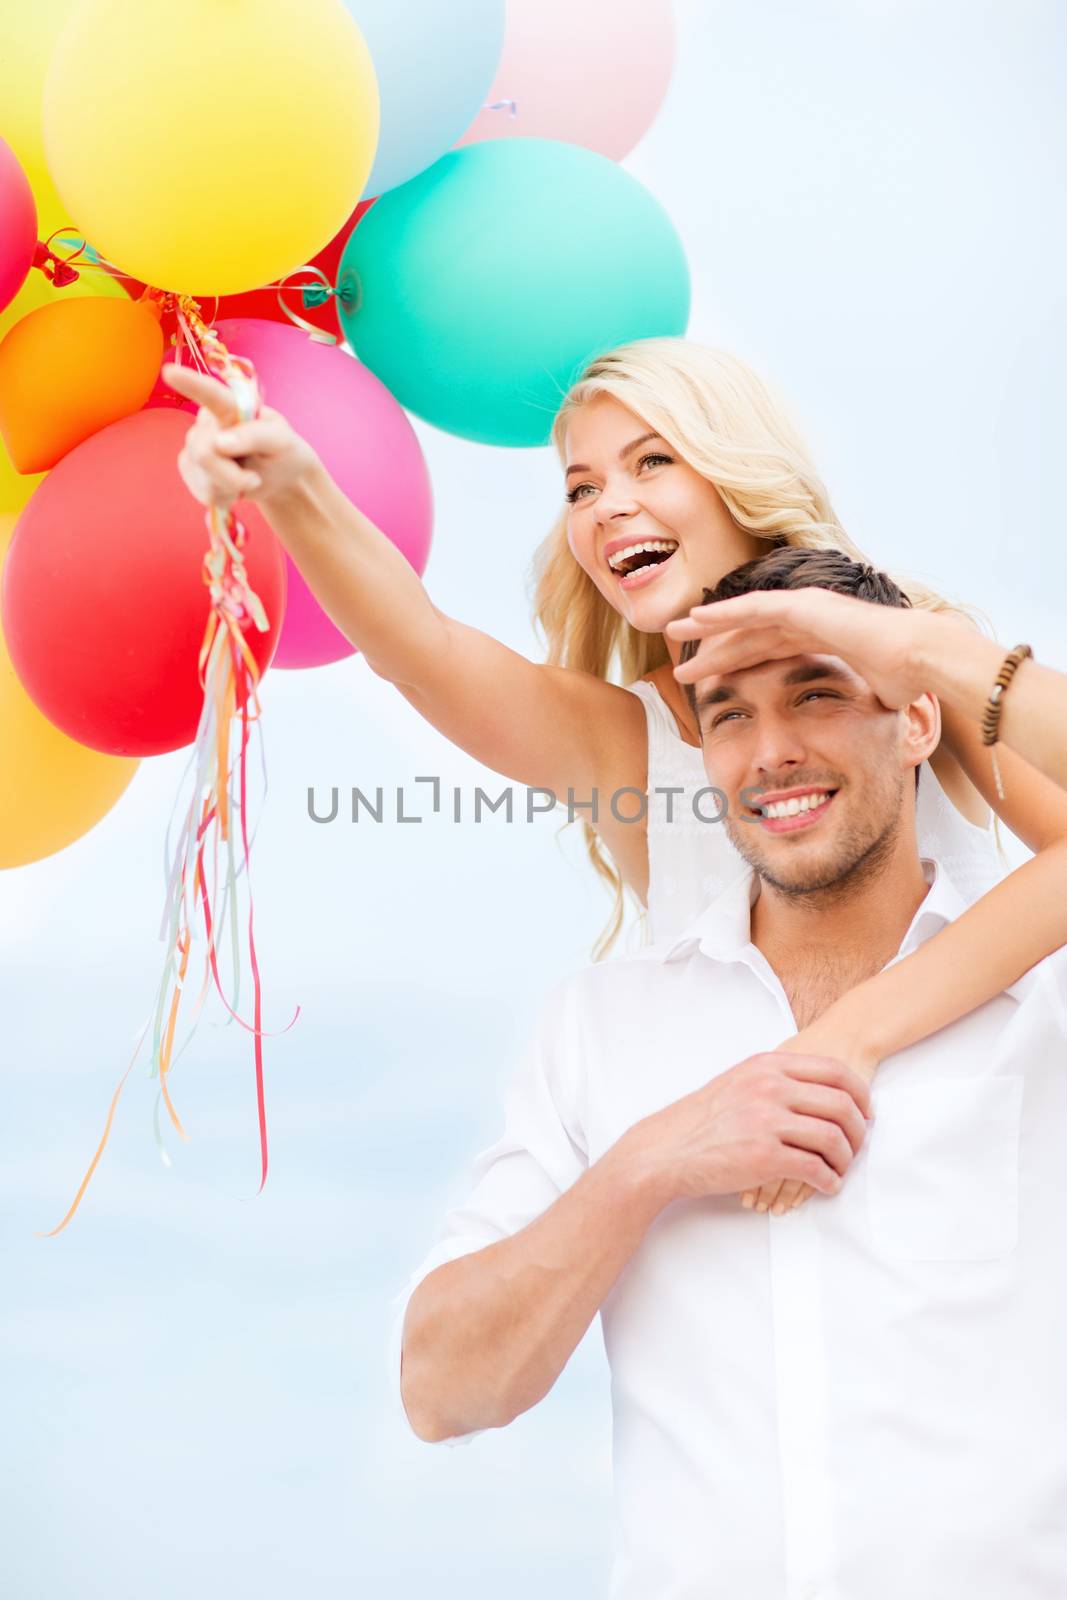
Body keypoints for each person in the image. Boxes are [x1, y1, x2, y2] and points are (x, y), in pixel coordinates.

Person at [164, 339, 1067, 1214]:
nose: (605, 507)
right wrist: (295, 486)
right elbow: (422, 649)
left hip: (970, 1155)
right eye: (581, 488)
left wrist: (846, 1040)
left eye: (649, 463)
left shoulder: (901, 656)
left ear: (733, 474)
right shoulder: (620, 741)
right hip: (756, 1194)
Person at [392, 547, 1067, 1599]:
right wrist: (650, 1163)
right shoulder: (605, 1026)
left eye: (818, 692)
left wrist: (917, 646)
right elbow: (441, 1386)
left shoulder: (1046, 1000)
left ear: (918, 719)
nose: (773, 752)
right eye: (729, 714)